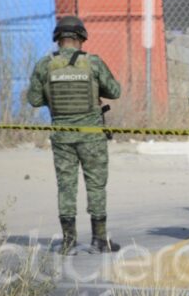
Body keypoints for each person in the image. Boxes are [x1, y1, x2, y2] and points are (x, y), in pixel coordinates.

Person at [27, 16, 122, 254]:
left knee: (66, 187)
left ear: (58, 39)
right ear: (81, 38)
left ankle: (69, 241)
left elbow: (34, 99)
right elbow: (114, 91)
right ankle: (99, 240)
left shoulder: (44, 65)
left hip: (62, 137)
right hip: (92, 136)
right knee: (96, 186)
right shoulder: (93, 63)